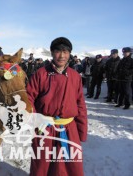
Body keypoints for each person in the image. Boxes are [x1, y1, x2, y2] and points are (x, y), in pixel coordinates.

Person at [27, 37, 87, 176]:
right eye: (58, 51)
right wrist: (36, 120)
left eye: (65, 52)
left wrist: (81, 131)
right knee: (42, 164)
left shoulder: (75, 76)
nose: (62, 56)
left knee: (70, 165)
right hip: (45, 128)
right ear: (52, 53)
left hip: (68, 128)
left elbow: (80, 104)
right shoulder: (40, 74)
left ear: (69, 54)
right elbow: (28, 99)